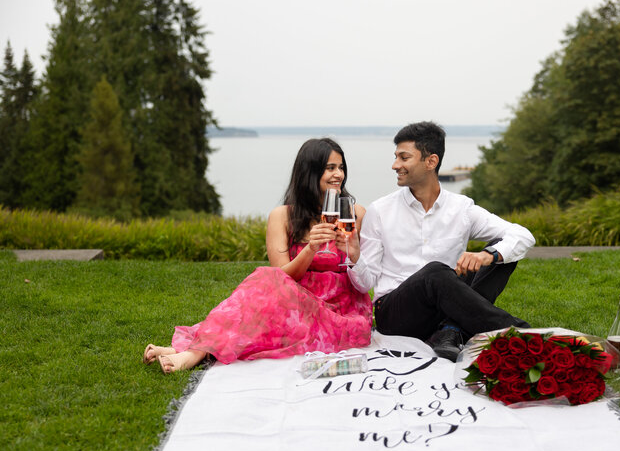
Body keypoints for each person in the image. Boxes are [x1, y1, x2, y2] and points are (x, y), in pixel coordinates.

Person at [142, 138, 373, 373]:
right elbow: (281, 276)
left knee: (255, 307)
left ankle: (193, 352)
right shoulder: (282, 216)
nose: (339, 175)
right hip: (294, 305)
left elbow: (366, 273)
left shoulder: (355, 214)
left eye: (341, 167)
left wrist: (352, 254)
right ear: (310, 172)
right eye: (330, 168)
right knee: (265, 283)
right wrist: (310, 248)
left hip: (340, 311)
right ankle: (195, 350)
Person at [345, 121, 535, 361]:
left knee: (502, 257)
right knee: (435, 272)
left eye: (404, 158)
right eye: (396, 157)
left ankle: (450, 330)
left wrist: (488, 255)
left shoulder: (461, 208)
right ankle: (522, 334)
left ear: (431, 161)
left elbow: (523, 235)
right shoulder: (380, 210)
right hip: (395, 313)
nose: (395, 165)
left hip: (442, 307)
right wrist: (355, 258)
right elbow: (365, 283)